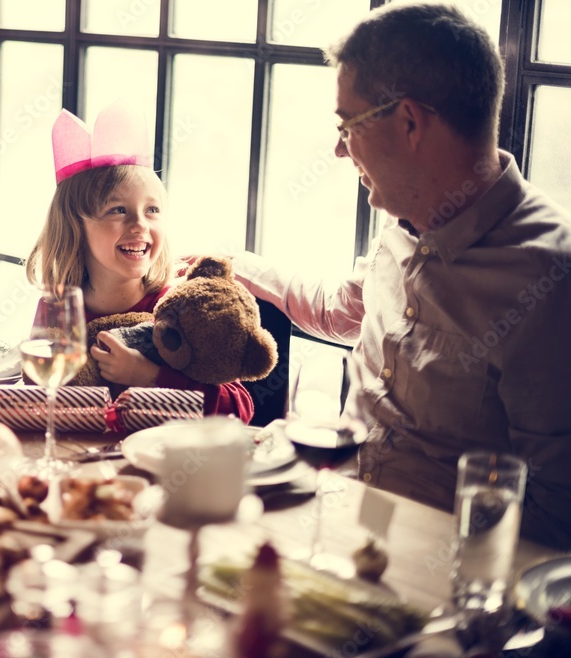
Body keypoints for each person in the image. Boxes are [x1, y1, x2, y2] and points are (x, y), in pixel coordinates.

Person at [230, 4, 571, 547]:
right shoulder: (407, 217)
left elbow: (558, 516)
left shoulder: (549, 277)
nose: (339, 149)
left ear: (410, 121)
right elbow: (346, 311)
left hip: (434, 579)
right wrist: (233, 265)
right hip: (333, 521)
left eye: (348, 126)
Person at [26, 102, 254, 422]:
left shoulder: (181, 307)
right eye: (118, 210)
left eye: (152, 210)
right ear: (75, 227)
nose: (140, 226)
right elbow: (39, 401)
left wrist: (149, 376)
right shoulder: (58, 311)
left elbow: (238, 410)